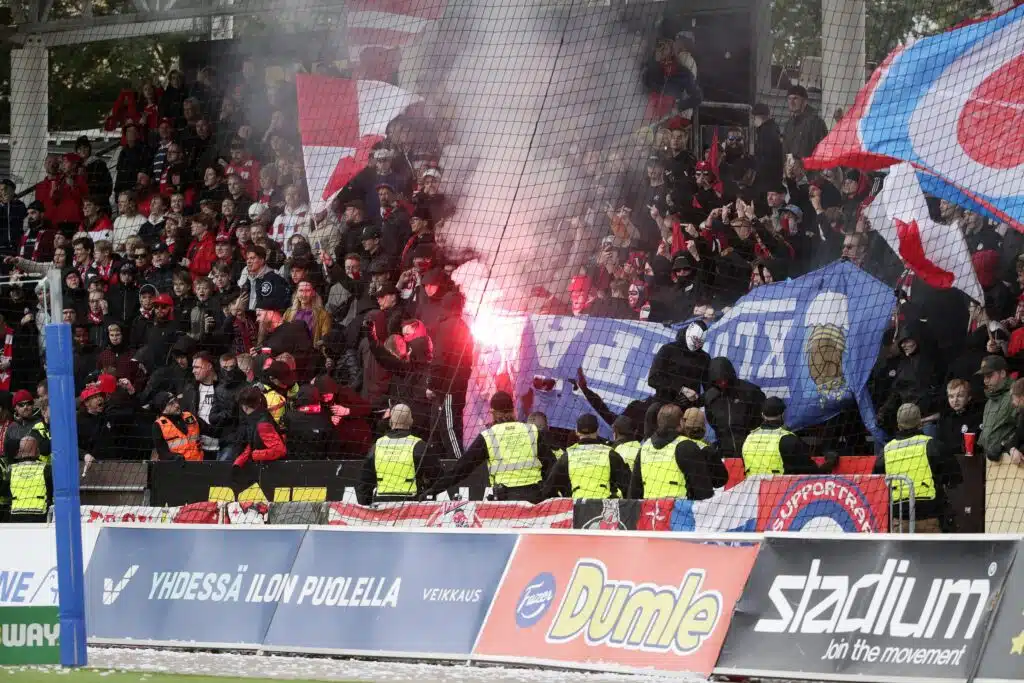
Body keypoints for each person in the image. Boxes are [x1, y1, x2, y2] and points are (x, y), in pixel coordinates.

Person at [423, 391, 555, 502]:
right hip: (534, 497)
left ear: (492, 411)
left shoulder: (488, 436)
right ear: (513, 409)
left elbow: (460, 469)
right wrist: (548, 492)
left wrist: (433, 490)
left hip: (506, 500)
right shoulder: (532, 430)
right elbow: (552, 465)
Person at [876, 403, 962, 533]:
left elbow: (877, 481)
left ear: (898, 424)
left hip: (899, 521)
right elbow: (955, 477)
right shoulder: (933, 445)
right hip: (930, 518)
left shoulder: (886, 451)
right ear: (920, 423)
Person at [629, 405, 722, 500]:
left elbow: (634, 492)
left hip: (651, 508)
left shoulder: (644, 448)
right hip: (681, 507)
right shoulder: (686, 446)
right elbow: (704, 491)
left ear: (659, 422)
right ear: (681, 422)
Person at [356, 403, 441, 504]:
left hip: (382, 504)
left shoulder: (377, 446)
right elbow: (438, 476)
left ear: (390, 421)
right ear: (411, 421)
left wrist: (367, 504)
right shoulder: (420, 446)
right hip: (411, 504)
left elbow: (364, 482)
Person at [540, 414, 630, 499]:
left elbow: (548, 490)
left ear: (577, 432)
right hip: (603, 505)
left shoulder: (567, 456)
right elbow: (627, 485)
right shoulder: (610, 454)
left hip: (577, 506)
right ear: (597, 431)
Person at [742, 397, 838, 475]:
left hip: (752, 491)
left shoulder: (749, 438)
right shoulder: (788, 439)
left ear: (762, 415)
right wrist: (830, 462)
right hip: (781, 491)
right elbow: (812, 473)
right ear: (784, 414)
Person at [938, 378, 985, 532]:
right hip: (950, 470)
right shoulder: (945, 418)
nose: (955, 400)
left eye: (960, 396)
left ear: (969, 397)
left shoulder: (976, 416)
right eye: (951, 396)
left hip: (972, 468)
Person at [703, 357, 766, 457]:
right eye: (718, 381)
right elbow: (712, 422)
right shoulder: (710, 398)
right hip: (726, 453)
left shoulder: (751, 392)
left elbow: (761, 420)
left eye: (725, 379)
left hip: (753, 450)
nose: (723, 383)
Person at [282, 385, 343, 460]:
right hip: (317, 461)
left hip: (293, 460)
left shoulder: (289, 416)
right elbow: (333, 446)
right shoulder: (325, 419)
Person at [232, 385, 287, 466]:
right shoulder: (257, 417)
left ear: (244, 407)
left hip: (270, 468)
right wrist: (240, 461)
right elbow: (253, 442)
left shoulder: (262, 424)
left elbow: (279, 450)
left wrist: (255, 455)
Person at [978, 355, 1017, 464]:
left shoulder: (1015, 396)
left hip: (1011, 461)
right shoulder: (989, 402)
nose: (985, 381)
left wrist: (1004, 445)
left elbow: (1021, 428)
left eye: (989, 376)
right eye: (984, 377)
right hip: (990, 462)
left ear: (1003, 373)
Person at [7, 436, 52, 522]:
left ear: (20, 451)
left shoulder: (11, 469)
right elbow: (51, 491)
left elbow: (5, 491)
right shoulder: (46, 468)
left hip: (16, 514)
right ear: (37, 451)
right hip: (40, 515)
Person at [151, 391, 204, 461]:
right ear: (163, 408)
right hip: (178, 466)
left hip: (199, 463)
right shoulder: (158, 425)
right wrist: (175, 457)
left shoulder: (189, 416)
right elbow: (162, 453)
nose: (176, 405)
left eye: (175, 401)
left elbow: (211, 430)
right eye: (171, 403)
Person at [782, 85, 829, 160]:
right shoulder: (788, 125)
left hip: (811, 166)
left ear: (805, 101)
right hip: (793, 167)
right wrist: (790, 166)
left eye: (795, 98)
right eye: (789, 99)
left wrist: (803, 164)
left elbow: (823, 151)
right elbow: (787, 151)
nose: (791, 102)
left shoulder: (816, 123)